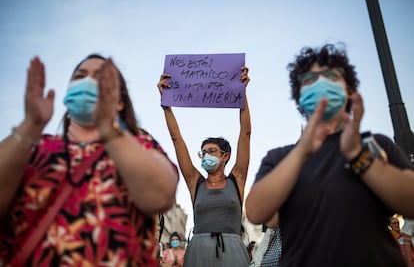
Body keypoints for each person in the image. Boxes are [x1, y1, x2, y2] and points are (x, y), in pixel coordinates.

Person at [0, 55, 179, 266]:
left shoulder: (140, 145)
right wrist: (31, 124)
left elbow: (160, 197)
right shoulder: (32, 146)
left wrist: (109, 129)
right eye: (80, 76)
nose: (88, 82)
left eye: (101, 78)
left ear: (119, 102)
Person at [245, 43, 414, 266]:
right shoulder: (279, 158)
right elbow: (256, 212)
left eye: (331, 76)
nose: (320, 84)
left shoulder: (375, 144)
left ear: (349, 90)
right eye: (309, 79)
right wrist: (301, 153)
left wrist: (358, 157)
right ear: (299, 96)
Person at [157, 66, 251, 266]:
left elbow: (245, 133)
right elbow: (177, 140)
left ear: (225, 156)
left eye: (212, 151)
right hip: (199, 252)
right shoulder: (195, 182)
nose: (206, 155)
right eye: (203, 152)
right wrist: (166, 105)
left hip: (232, 252)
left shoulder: (237, 180)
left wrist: (242, 93)